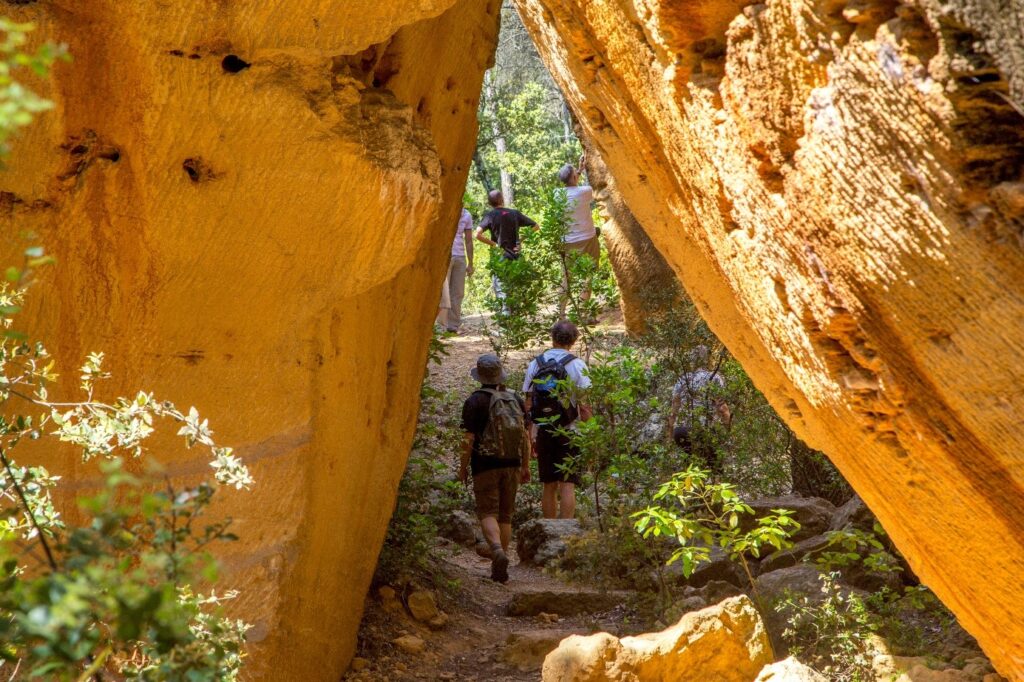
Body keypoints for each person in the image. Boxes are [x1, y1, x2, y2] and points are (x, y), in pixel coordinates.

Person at [460, 354, 531, 583]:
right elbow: (525, 438)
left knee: (487, 511)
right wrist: (525, 466)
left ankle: (497, 552)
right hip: (512, 464)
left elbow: (468, 439)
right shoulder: (515, 399)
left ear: (479, 376)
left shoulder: (475, 401)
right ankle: (498, 564)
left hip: (485, 465)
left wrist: (463, 467)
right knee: (506, 515)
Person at [522, 320, 591, 519]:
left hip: (543, 430)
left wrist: (530, 435)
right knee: (567, 484)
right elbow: (584, 407)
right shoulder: (577, 365)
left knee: (549, 484)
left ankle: (548, 529)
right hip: (570, 431)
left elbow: (528, 404)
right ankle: (564, 533)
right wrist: (590, 434)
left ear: (552, 338)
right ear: (574, 340)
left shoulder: (536, 364)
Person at [667, 345, 732, 473]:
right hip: (702, 428)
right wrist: (728, 428)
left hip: (680, 430)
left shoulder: (682, 379)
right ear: (708, 360)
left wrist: (670, 433)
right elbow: (722, 408)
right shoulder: (714, 378)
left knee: (691, 464)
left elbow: (674, 410)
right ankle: (714, 488)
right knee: (715, 464)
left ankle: (693, 490)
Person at [556, 157, 600, 318]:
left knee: (566, 278)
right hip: (588, 239)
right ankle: (584, 314)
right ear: (574, 177)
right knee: (588, 275)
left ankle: (560, 315)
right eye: (576, 173)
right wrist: (583, 170)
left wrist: (579, 170)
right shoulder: (585, 191)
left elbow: (572, 186)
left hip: (567, 241)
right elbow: (586, 189)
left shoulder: (557, 194)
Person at [475, 190, 539, 301]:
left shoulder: (490, 216)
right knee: (515, 290)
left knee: (502, 291)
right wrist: (521, 240)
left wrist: (494, 244)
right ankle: (514, 315)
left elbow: (477, 234)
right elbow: (536, 226)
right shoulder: (514, 213)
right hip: (515, 256)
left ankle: (505, 315)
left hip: (499, 257)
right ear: (502, 200)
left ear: (489, 203)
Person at [438, 207, 474, 333]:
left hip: (460, 256)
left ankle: (453, 326)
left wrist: (470, 263)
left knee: (458, 292)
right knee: (443, 292)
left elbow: (469, 240)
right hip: (444, 256)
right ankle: (440, 326)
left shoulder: (466, 215)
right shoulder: (445, 210)